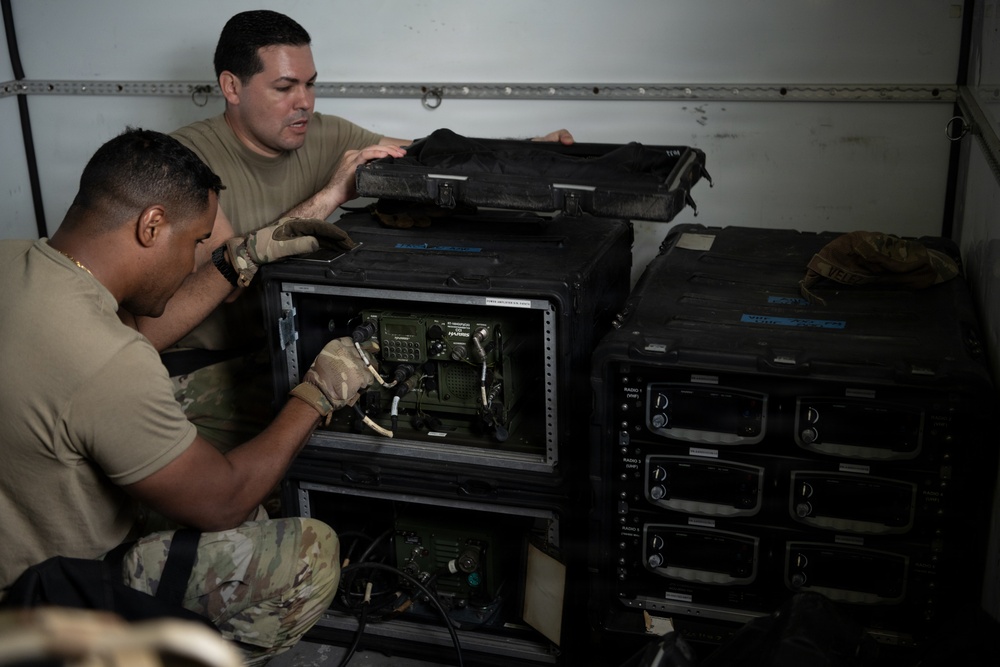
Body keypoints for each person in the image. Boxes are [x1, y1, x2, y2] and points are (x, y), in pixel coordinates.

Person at [0, 128, 375, 666]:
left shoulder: (18, 263)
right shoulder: (109, 364)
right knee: (305, 557)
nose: (192, 259)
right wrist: (318, 393)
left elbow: (123, 339)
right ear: (151, 225)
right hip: (45, 599)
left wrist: (236, 259)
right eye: (196, 241)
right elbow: (222, 501)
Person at [158, 9, 574, 450]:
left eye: (310, 83)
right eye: (284, 87)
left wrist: (530, 151)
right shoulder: (185, 163)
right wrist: (332, 194)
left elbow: (426, 160)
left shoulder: (322, 133)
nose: (304, 102)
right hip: (212, 369)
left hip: (293, 351)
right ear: (231, 87)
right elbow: (229, 280)